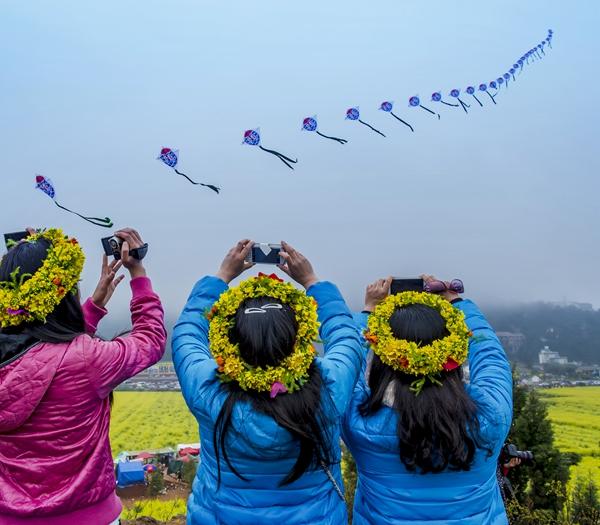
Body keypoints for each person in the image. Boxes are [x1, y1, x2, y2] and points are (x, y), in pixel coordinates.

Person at [172, 240, 364, 525]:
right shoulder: (328, 386)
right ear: (298, 337)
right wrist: (312, 281)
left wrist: (222, 277)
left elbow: (187, 332)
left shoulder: (208, 388)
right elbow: (347, 338)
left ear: (230, 340)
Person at [0, 227, 166, 525]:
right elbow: (150, 341)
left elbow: (41, 358)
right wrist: (138, 272)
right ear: (65, 293)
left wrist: (93, 308)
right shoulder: (88, 359)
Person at [342, 275, 512, 525]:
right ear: (454, 353)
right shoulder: (490, 415)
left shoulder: (360, 421)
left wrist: (368, 311)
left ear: (382, 360)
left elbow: (348, 362)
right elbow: (490, 354)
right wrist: (456, 302)